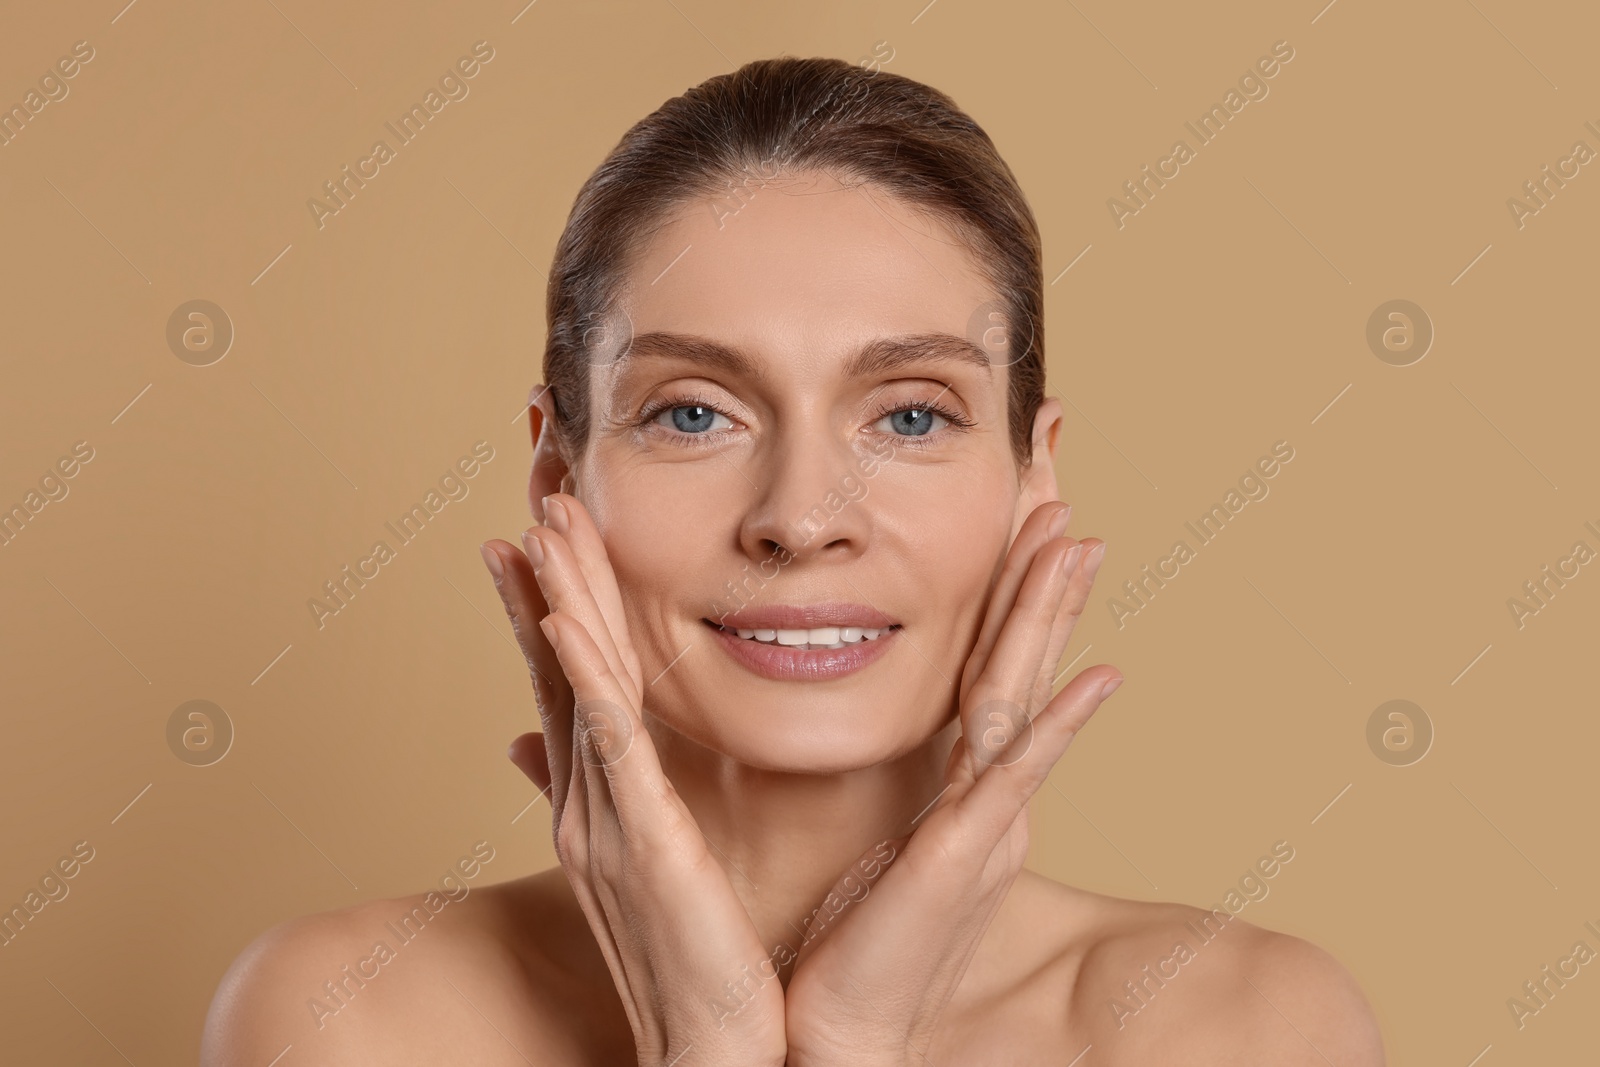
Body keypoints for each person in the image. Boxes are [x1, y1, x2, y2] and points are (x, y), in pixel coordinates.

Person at [202, 56, 1384, 1065]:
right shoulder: (350, 1016)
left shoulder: (1233, 1023)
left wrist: (857, 1042)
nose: (802, 516)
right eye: (694, 413)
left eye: (911, 415)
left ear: (1034, 471)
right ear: (558, 474)